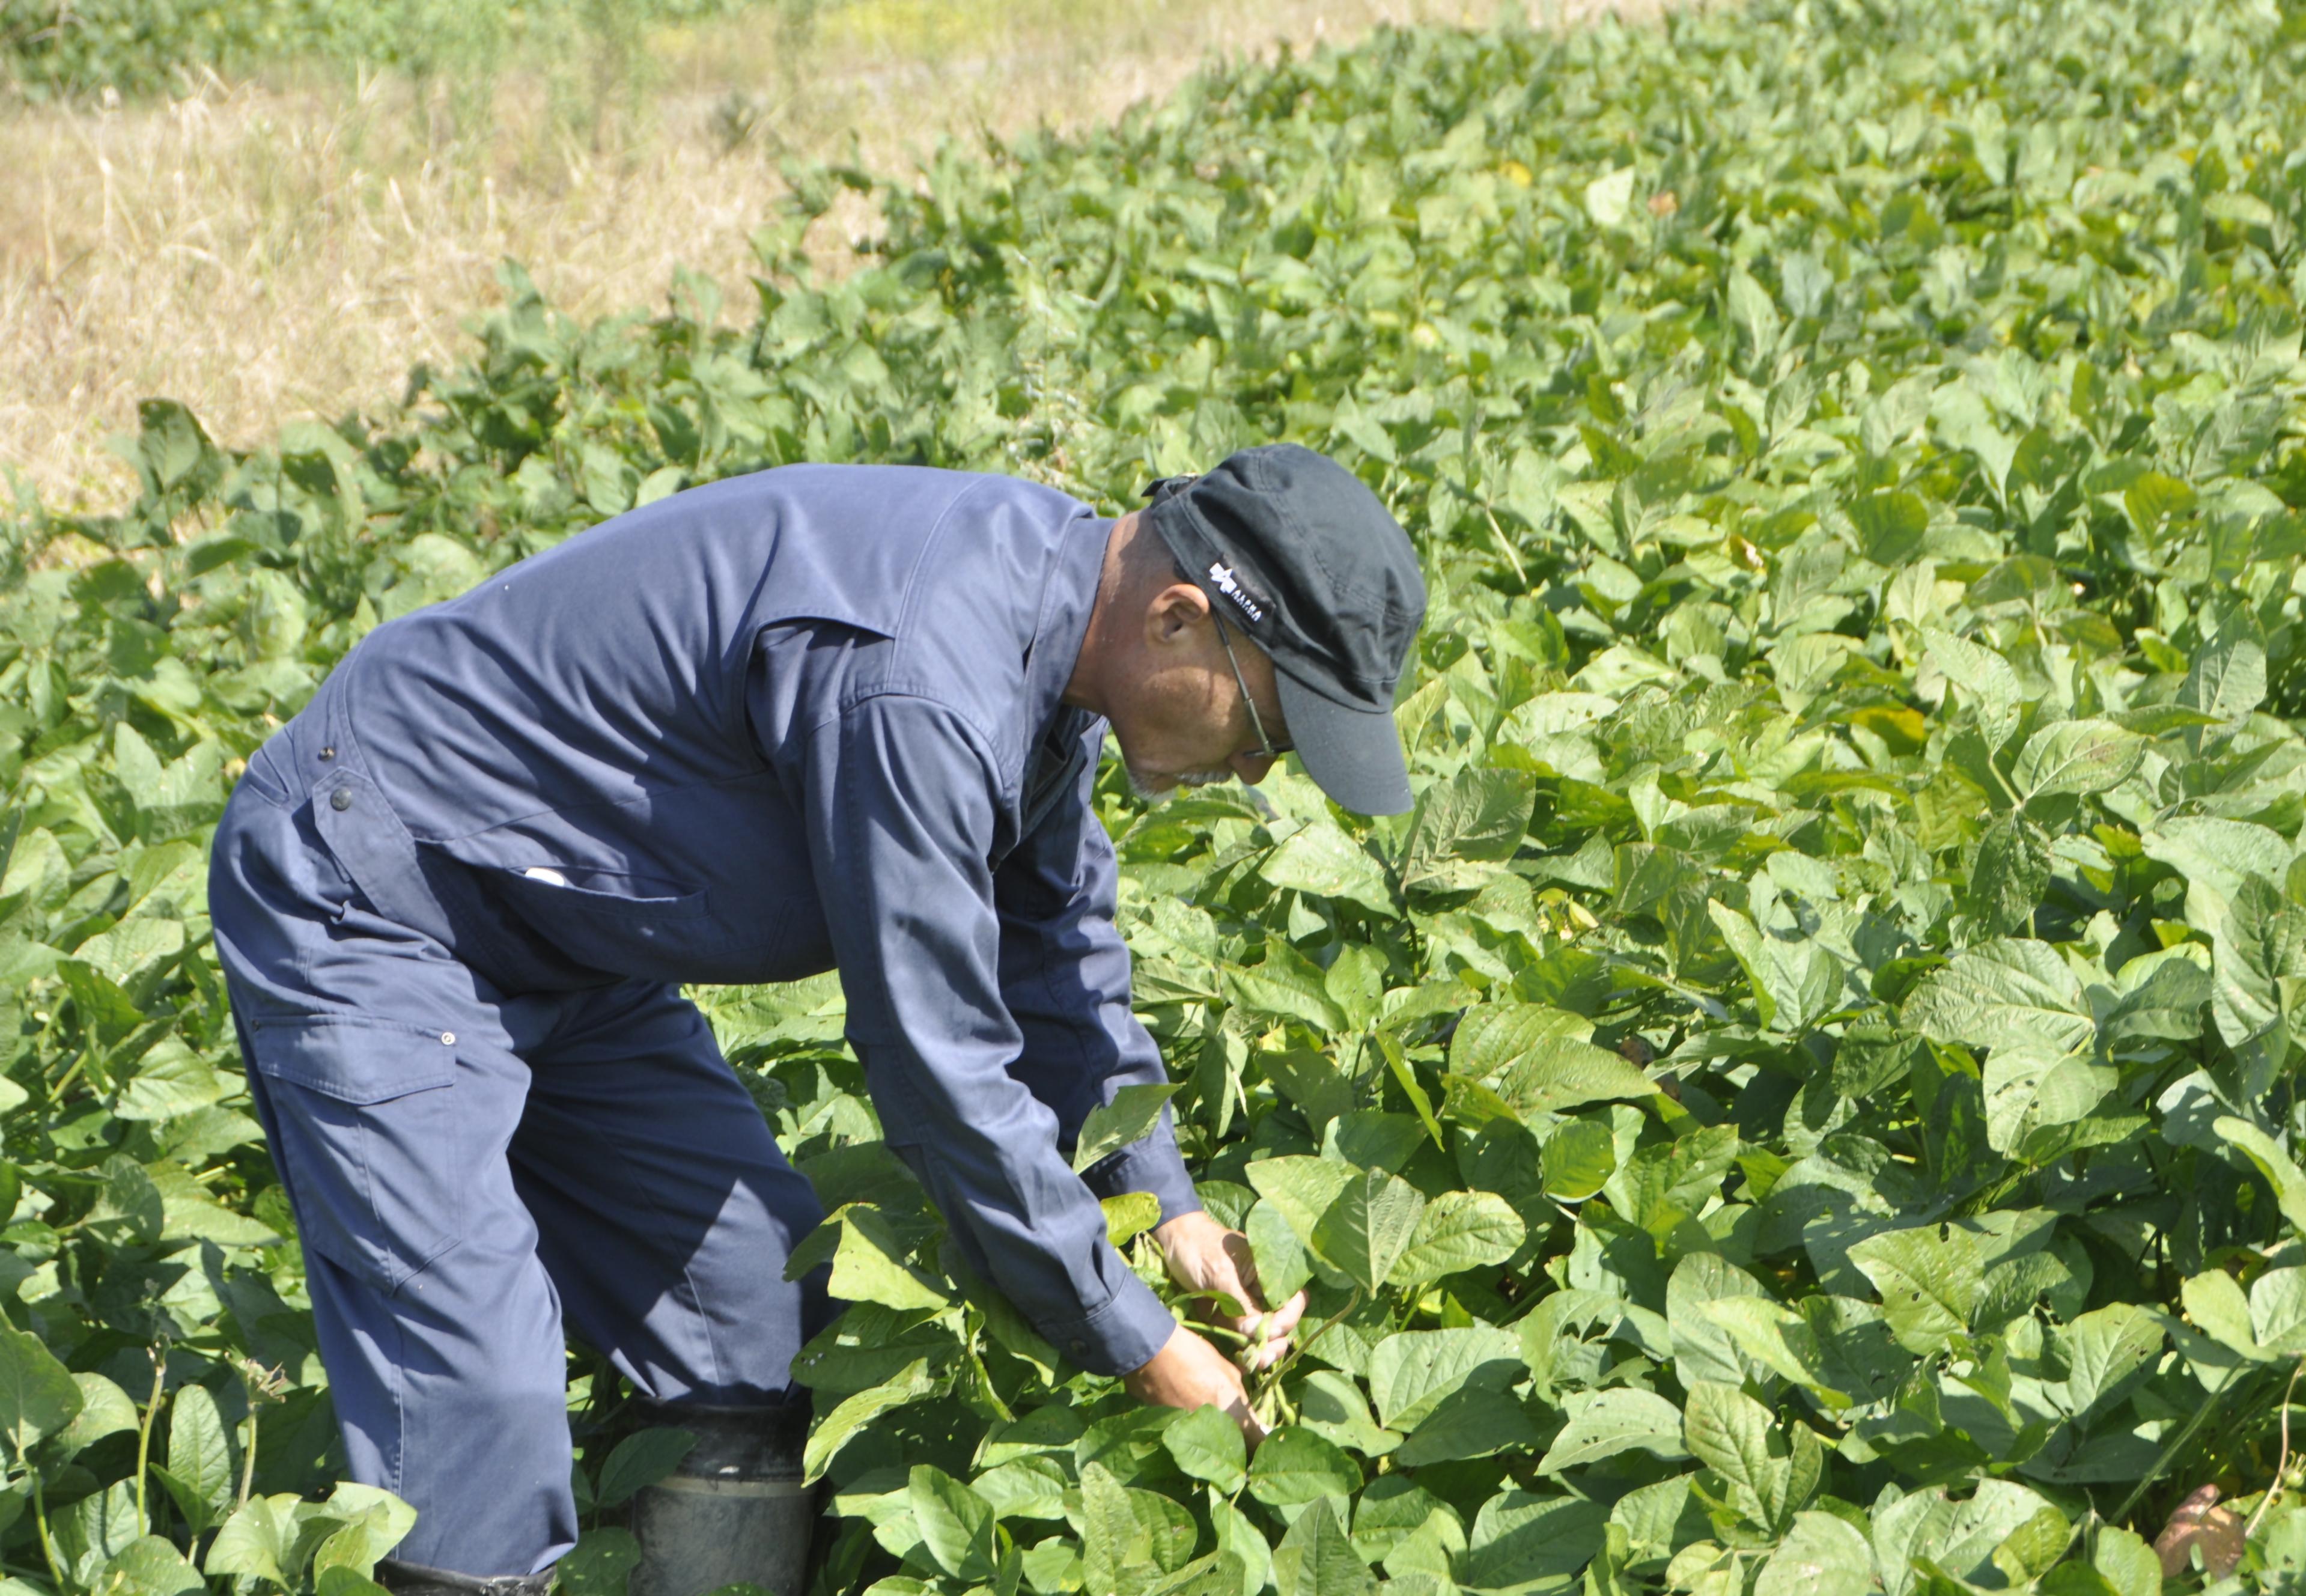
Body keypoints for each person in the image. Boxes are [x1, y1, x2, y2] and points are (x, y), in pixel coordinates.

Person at [205, 443, 1428, 1594]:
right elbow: (937, 1061)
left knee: (759, 1323)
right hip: (380, 890)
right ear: (1177, 618)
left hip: (571, 941)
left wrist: (1167, 1209)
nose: (1260, 771)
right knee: (478, 1396)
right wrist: (1138, 1341)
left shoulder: (1049, 646)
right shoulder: (923, 677)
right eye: (1267, 728)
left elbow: (1053, 956)